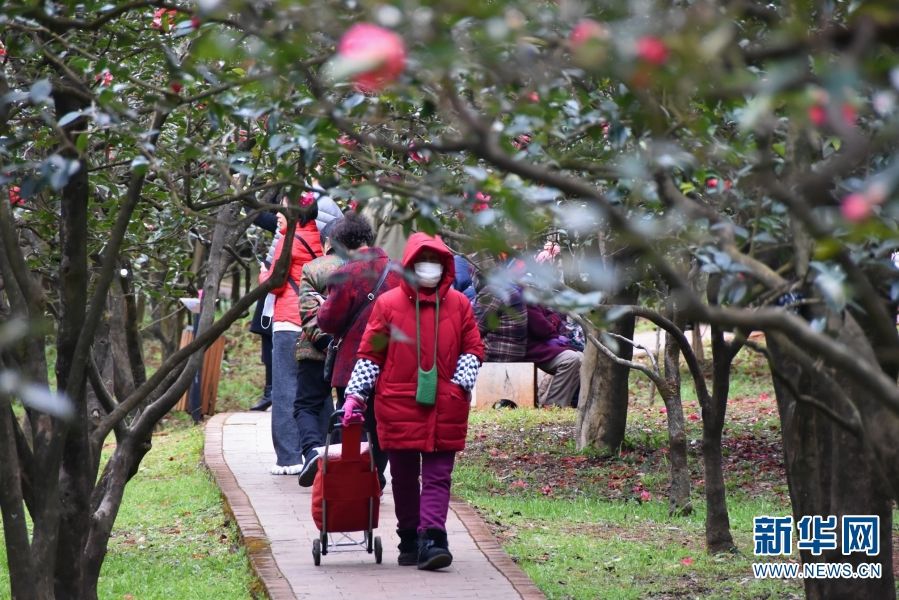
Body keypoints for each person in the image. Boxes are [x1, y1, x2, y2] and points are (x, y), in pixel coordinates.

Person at [341, 233, 485, 571]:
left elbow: (473, 347)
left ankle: (433, 539)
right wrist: (355, 395)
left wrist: (462, 382)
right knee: (404, 477)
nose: (429, 268)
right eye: (423, 262)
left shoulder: (460, 305)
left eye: (435, 262)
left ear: (445, 266)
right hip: (397, 404)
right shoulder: (389, 304)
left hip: (445, 405)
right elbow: (370, 353)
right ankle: (409, 539)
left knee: (438, 476)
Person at [316, 212, 403, 488]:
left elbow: (329, 321)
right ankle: (377, 475)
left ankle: (359, 479)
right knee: (383, 425)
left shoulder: (344, 275)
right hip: (394, 361)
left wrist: (321, 306)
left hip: (353, 364)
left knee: (353, 422)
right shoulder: (399, 271)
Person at [258, 195, 323, 475]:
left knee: (285, 389)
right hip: (314, 323)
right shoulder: (318, 239)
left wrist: (263, 275)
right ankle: (318, 448)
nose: (278, 215)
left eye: (282, 209)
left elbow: (275, 284)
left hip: (288, 320)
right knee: (315, 389)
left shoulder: (288, 241)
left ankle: (289, 458)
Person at [294, 217, 347, 487]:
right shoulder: (365, 270)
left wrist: (326, 343)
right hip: (353, 351)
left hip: (315, 350)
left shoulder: (313, 268)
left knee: (306, 405)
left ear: (327, 242)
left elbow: (307, 313)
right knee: (349, 406)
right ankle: (343, 460)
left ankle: (313, 451)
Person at [248, 210, 279, 412]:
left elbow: (273, 221)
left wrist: (253, 211)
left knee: (273, 334)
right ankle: (270, 390)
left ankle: (273, 390)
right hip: (276, 275)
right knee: (268, 333)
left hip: (284, 282)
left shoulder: (309, 203)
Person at [524, 304, 583, 408]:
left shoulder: (538, 301)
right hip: (529, 348)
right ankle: (553, 405)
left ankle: (562, 404)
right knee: (571, 359)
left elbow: (556, 321)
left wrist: (552, 322)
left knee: (581, 358)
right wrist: (552, 323)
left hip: (542, 344)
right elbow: (543, 329)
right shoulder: (527, 301)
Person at [474, 257, 528, 362]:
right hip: (514, 352)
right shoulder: (506, 287)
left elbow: (476, 328)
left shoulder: (493, 291)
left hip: (497, 353)